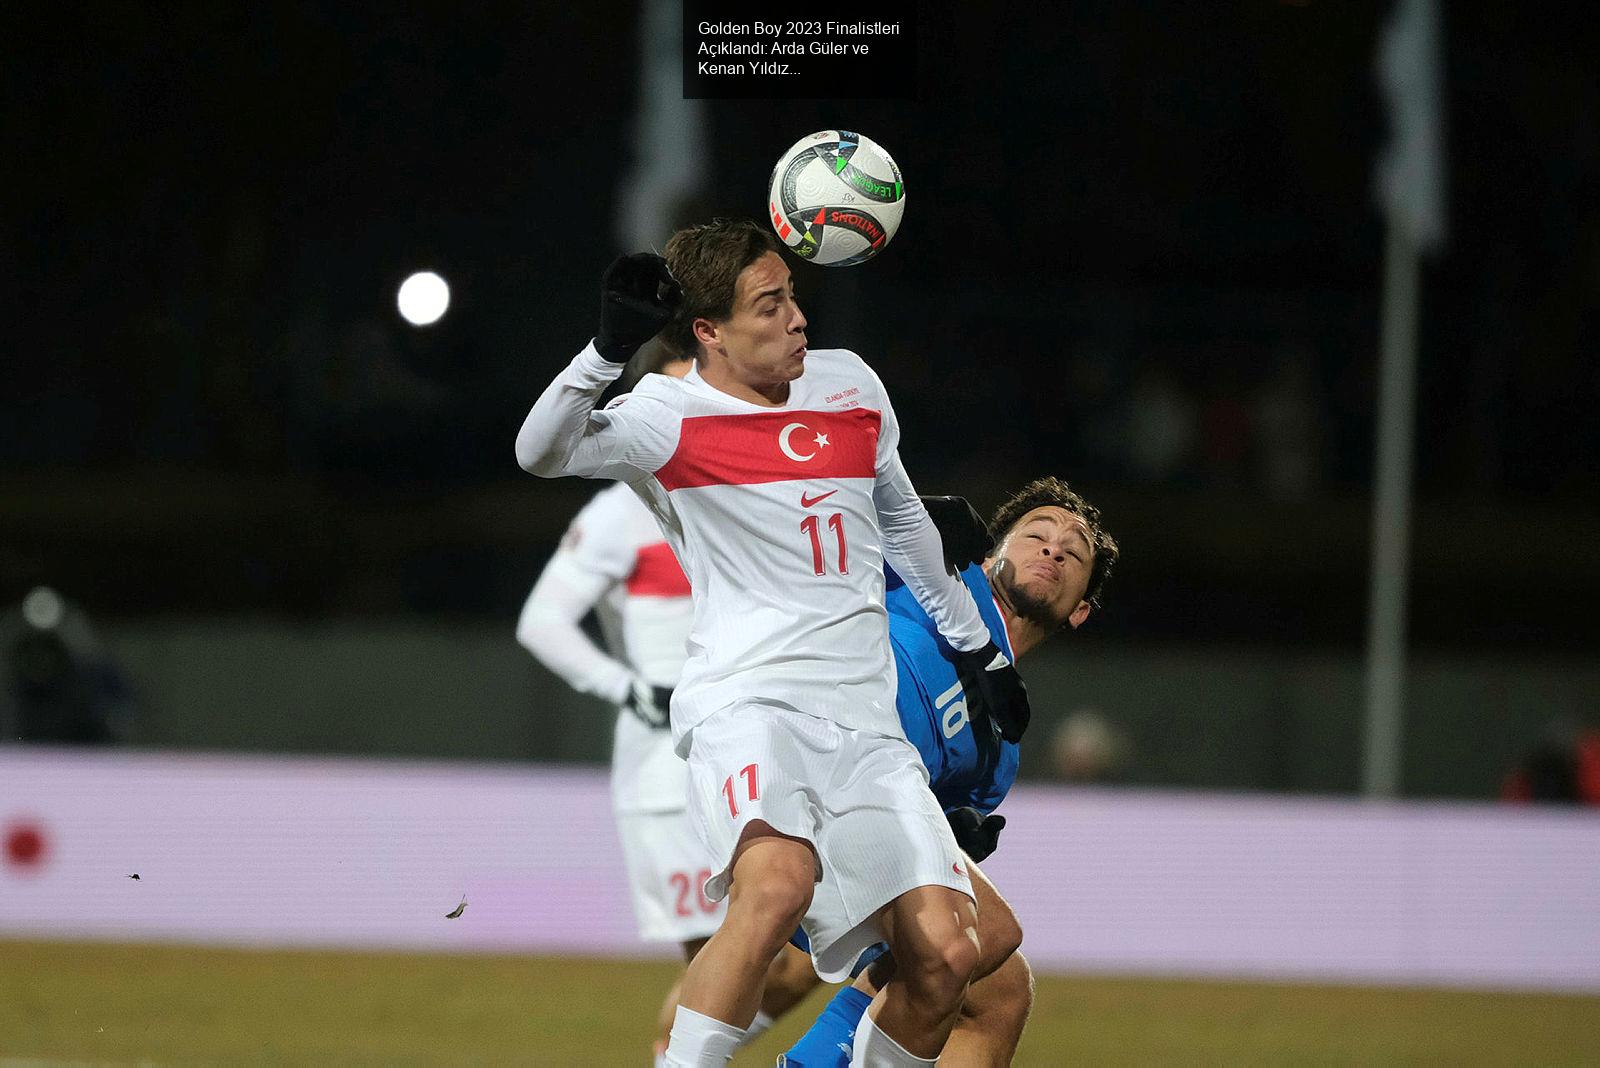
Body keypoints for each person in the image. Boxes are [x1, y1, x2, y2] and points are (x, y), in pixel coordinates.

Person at [516, 219, 1029, 1067]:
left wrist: (980, 650)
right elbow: (540, 451)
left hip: (863, 724)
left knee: (947, 956)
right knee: (777, 886)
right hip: (748, 703)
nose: (798, 319)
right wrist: (605, 352)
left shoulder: (851, 385)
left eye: (793, 295)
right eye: (770, 304)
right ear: (709, 331)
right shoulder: (664, 417)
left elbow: (903, 522)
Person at [515, 345, 816, 1064]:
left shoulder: (750, 492)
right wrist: (628, 688)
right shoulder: (619, 511)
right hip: (667, 769)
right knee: (732, 957)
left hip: (756, 747)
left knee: (799, 955)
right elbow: (542, 621)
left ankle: (673, 1053)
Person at [783, 477, 1119, 1066]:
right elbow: (812, 523)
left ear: (1081, 610)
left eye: (1075, 552)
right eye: (1036, 535)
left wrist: (952, 826)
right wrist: (895, 514)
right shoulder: (926, 577)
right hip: (798, 770)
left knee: (1000, 991)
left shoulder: (1000, 747)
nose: (1054, 549)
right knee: (990, 935)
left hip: (855, 848)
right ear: (990, 557)